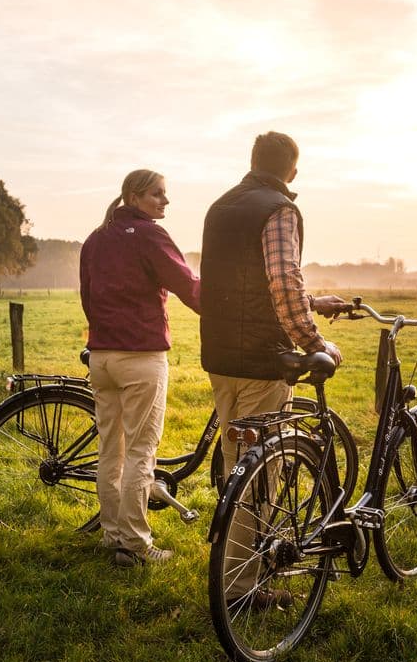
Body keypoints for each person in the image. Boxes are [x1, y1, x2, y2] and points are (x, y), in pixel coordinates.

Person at [199, 131, 347, 603]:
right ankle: (243, 585)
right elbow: (282, 280)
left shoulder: (220, 205)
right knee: (259, 472)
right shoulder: (279, 209)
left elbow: (243, 279)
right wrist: (315, 341)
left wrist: (312, 301)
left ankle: (236, 565)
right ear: (293, 171)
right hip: (263, 358)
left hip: (220, 355)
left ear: (252, 161)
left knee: (235, 460)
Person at [79, 169, 200, 567]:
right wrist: (227, 309)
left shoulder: (95, 239)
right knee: (140, 451)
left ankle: (113, 535)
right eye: (157, 194)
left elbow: (87, 296)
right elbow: (188, 286)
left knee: (109, 450)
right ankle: (135, 544)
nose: (165, 202)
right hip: (141, 357)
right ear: (134, 196)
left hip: (102, 356)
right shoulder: (149, 235)